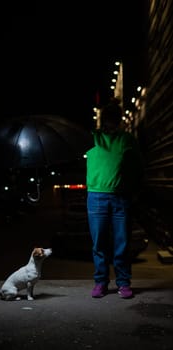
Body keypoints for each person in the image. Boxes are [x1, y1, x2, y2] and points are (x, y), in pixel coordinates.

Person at [86, 98, 144, 298]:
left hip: (121, 197)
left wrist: (134, 191)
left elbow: (137, 168)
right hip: (96, 196)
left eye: (113, 119)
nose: (110, 123)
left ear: (118, 121)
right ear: (102, 121)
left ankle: (123, 283)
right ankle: (101, 282)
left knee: (122, 243)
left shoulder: (127, 140)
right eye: (107, 120)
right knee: (99, 243)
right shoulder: (92, 137)